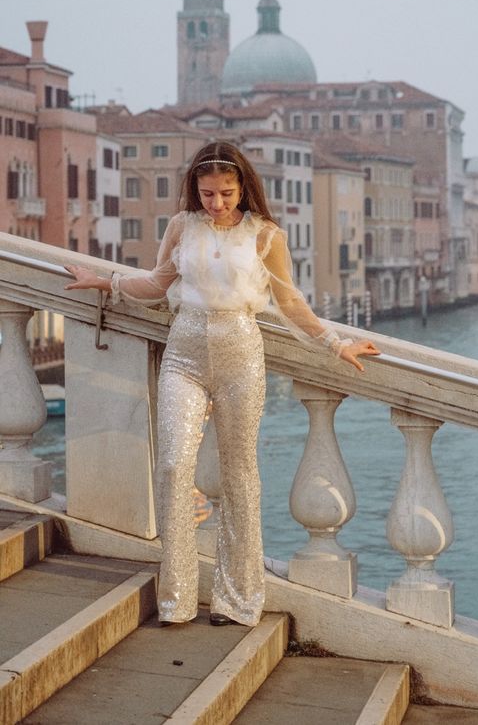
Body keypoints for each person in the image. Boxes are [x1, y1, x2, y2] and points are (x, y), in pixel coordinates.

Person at [65, 140, 380, 629]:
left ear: (243, 187)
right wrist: (103, 280)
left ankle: (237, 600)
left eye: (227, 193)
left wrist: (337, 344)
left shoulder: (265, 236)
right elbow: (156, 283)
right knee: (172, 465)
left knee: (239, 476)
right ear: (195, 189)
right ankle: (178, 599)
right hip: (184, 351)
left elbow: (291, 303)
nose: (217, 203)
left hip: (240, 353)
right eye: (208, 193)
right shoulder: (180, 227)